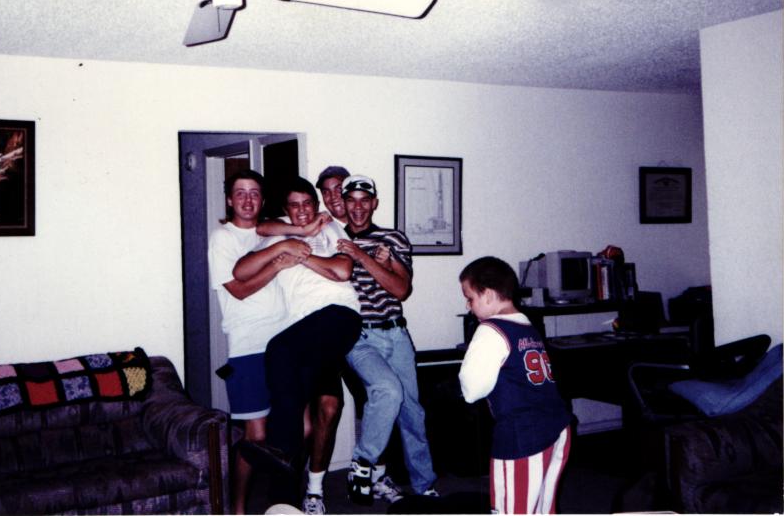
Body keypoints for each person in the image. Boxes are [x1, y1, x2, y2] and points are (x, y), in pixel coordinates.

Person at [234, 177, 362, 508]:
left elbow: (342, 271)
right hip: (304, 330)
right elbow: (241, 270)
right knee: (291, 414)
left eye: (307, 204)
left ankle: (279, 451)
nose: (302, 211)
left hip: (339, 315)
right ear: (286, 210)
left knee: (278, 349)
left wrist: (302, 255)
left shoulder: (330, 228)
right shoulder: (277, 235)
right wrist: (285, 246)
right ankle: (284, 501)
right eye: (295, 205)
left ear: (315, 206)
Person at [336, 174, 437, 505]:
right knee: (387, 392)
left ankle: (424, 485)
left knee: (412, 413)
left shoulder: (392, 238)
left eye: (365, 200)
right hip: (360, 336)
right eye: (352, 200)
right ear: (343, 203)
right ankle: (363, 462)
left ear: (374, 203)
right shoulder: (334, 239)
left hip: (396, 332)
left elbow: (401, 289)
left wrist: (365, 257)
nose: (358, 207)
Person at [207, 169, 295, 514]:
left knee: (293, 428)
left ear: (263, 199)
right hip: (248, 346)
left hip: (284, 340)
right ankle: (238, 508)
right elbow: (239, 290)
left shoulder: (271, 232)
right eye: (240, 193)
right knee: (255, 436)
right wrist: (276, 266)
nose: (247, 199)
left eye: (254, 193)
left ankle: (282, 500)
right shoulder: (223, 238)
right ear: (230, 200)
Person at [458, 256, 573, 514]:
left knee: (512, 509)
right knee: (543, 507)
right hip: (557, 426)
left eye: (470, 298)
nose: (468, 306)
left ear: (488, 295)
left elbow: (472, 390)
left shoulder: (491, 329)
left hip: (522, 435)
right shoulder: (528, 326)